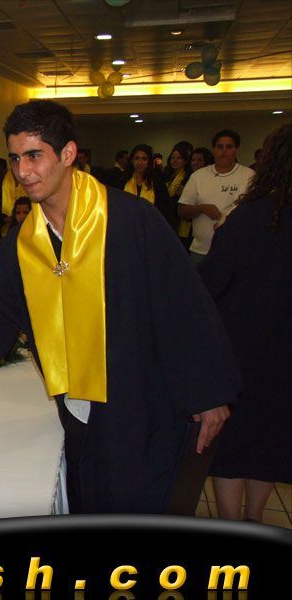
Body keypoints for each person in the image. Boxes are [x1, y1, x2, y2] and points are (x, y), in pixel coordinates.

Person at [0, 99, 237, 514]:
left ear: (68, 153)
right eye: (14, 158)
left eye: (34, 155)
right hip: (77, 409)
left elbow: (182, 304)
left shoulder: (130, 219)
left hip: (141, 403)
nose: (22, 171)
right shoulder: (25, 244)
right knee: (89, 501)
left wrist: (208, 392)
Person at [198, 123, 291, 523]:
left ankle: (230, 520)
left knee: (234, 444)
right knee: (272, 439)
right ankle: (255, 517)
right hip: (284, 354)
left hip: (240, 349)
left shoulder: (246, 219)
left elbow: (210, 286)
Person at [178, 130, 255, 267]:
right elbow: (182, 210)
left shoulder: (249, 175)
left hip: (236, 250)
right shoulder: (198, 176)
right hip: (201, 251)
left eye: (229, 147)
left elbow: (254, 212)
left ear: (236, 150)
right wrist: (201, 208)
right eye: (220, 147)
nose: (224, 151)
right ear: (214, 150)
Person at [119, 144, 173, 228]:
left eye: (144, 159)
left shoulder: (157, 182)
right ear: (132, 160)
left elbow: (164, 210)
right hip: (126, 227)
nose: (140, 162)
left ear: (149, 162)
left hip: (151, 227)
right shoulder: (123, 181)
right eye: (137, 158)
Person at [164, 144, 194, 246]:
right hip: (168, 216)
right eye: (173, 158)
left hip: (180, 219)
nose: (175, 160)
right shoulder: (166, 175)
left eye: (179, 158)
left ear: (185, 161)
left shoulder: (188, 177)